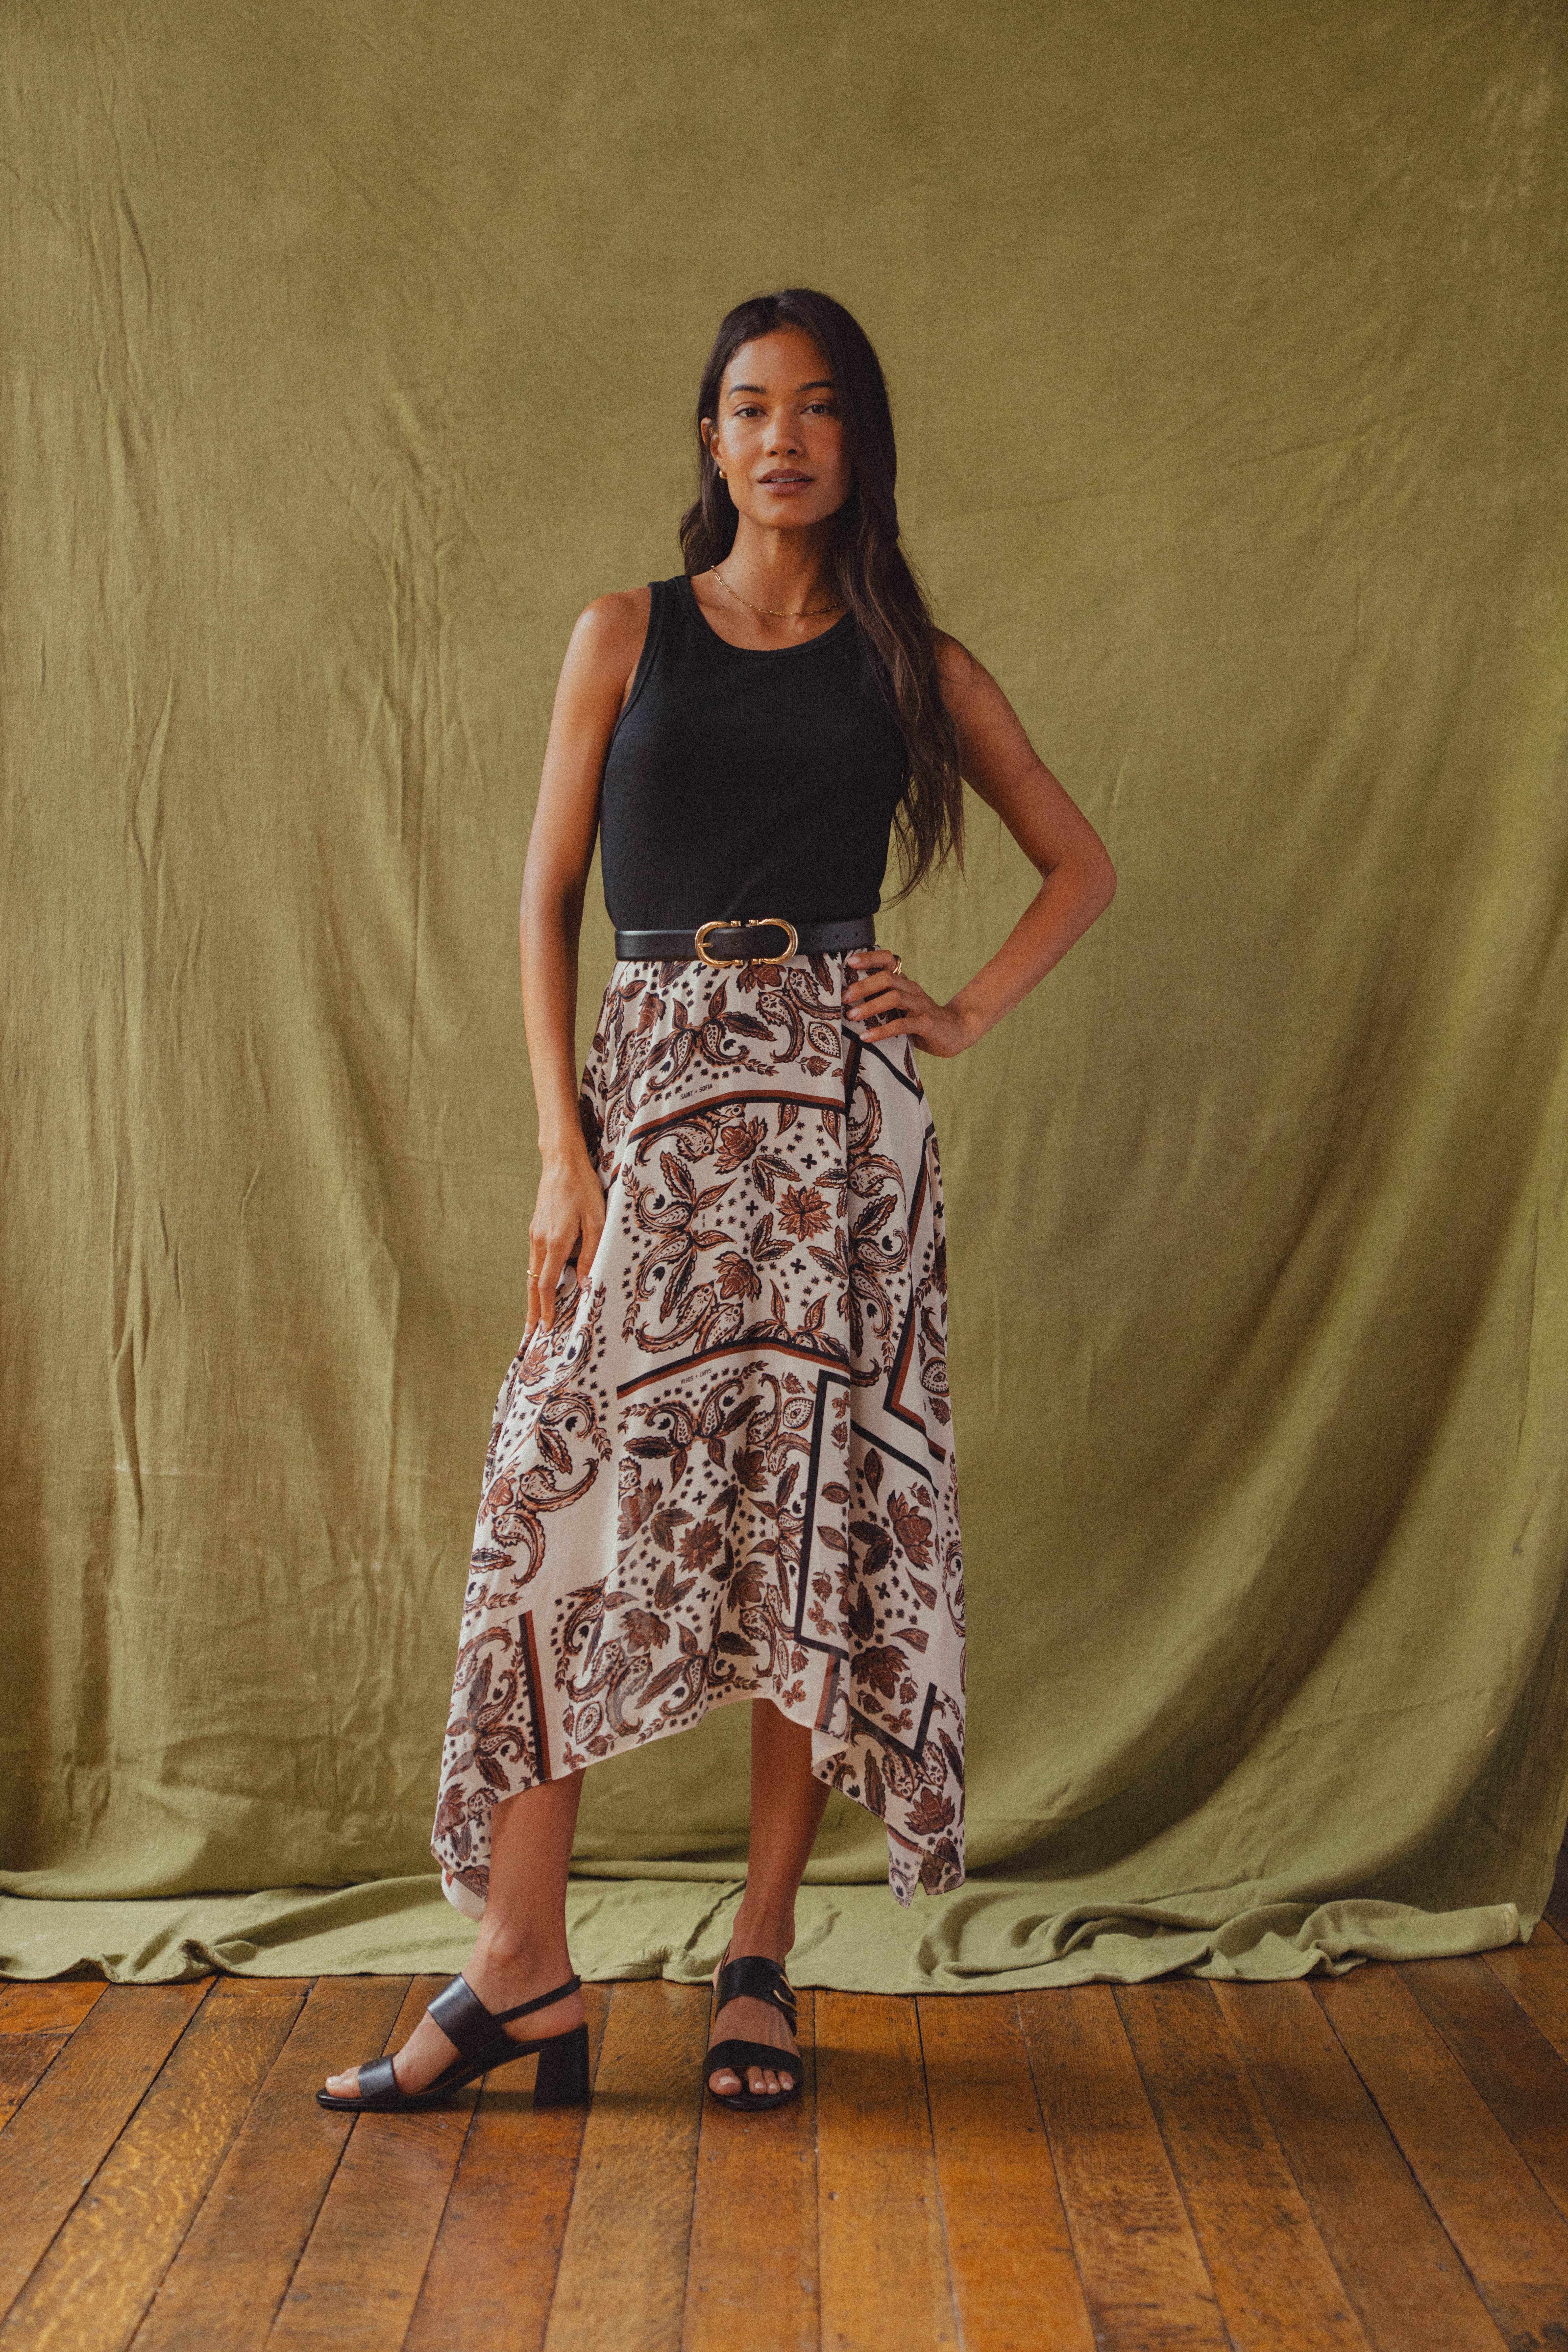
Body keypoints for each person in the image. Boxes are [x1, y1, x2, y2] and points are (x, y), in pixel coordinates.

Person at [319, 287, 1115, 2118]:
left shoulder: (916, 662)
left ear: (858, 444)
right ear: (710, 440)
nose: (786, 437)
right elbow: (542, 907)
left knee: (810, 1527)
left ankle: (760, 1952)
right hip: (653, 1109)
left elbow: (1082, 863)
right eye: (752, 407)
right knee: (556, 1496)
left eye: (822, 408)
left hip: (842, 1135)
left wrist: (966, 1010)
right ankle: (519, 1968)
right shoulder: (626, 635)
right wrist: (557, 1148)